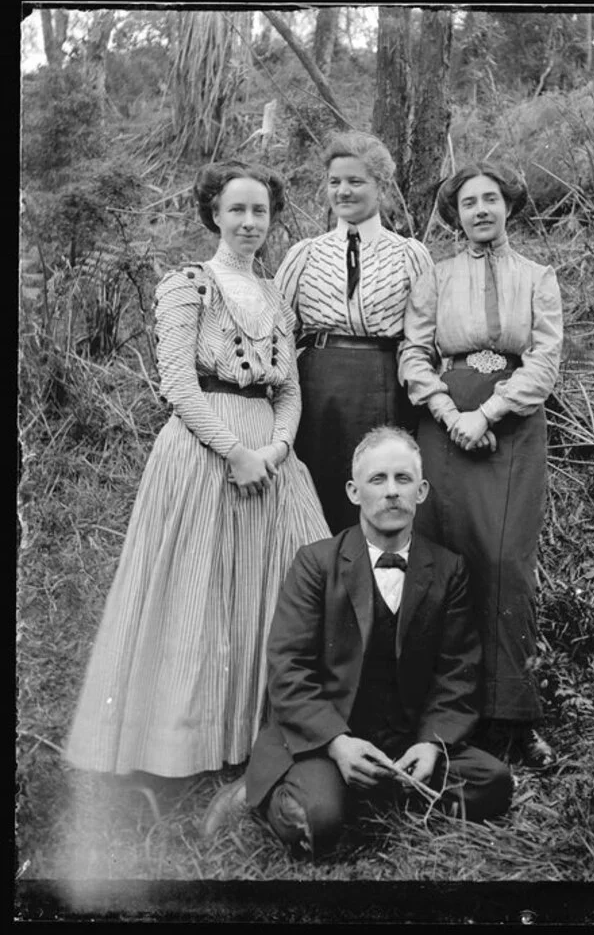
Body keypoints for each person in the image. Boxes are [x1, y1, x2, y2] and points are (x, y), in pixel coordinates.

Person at [64, 159, 330, 779]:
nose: (248, 221)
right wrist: (235, 452)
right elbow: (179, 384)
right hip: (204, 449)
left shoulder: (273, 296)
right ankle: (181, 748)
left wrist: (277, 451)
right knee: (199, 590)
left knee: (276, 585)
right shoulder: (190, 284)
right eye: (236, 209)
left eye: (259, 210)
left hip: (270, 454)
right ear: (213, 212)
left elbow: (288, 390)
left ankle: (261, 740)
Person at [201, 427, 512, 856]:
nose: (391, 493)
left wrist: (430, 743)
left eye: (403, 480)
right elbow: (288, 667)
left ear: (421, 491)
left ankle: (377, 789)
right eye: (377, 480)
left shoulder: (448, 569)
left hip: (406, 739)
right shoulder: (316, 562)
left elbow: (458, 671)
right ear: (353, 491)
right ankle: (273, 790)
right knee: (321, 826)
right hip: (326, 739)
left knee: (493, 784)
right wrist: (337, 742)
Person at [398, 161, 563, 768]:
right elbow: (414, 353)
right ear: (456, 215)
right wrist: (447, 411)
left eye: (491, 200)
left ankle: (513, 720)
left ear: (508, 207)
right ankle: (442, 719)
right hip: (443, 429)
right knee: (445, 562)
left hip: (513, 427)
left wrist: (487, 414)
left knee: (506, 564)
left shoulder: (538, 278)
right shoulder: (435, 279)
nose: (481, 211)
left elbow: (543, 362)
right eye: (469, 203)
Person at [274, 131, 435, 534]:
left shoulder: (409, 254)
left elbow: (426, 337)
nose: (343, 191)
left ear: (380, 186)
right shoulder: (305, 254)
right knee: (321, 492)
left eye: (356, 181)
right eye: (335, 182)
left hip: (385, 388)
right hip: (319, 390)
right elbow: (276, 332)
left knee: (380, 489)